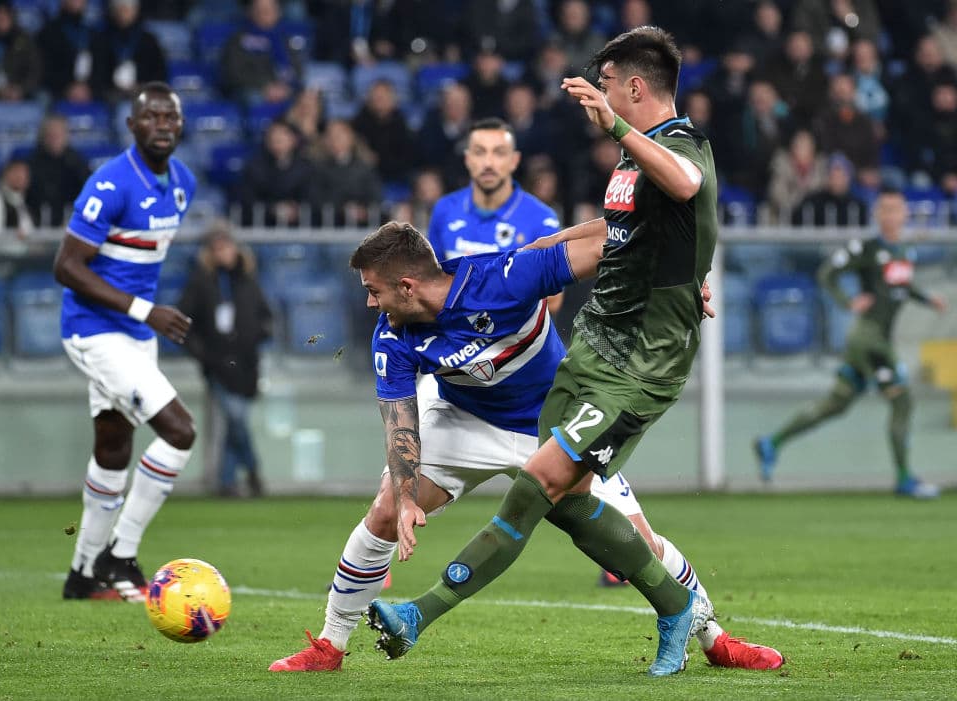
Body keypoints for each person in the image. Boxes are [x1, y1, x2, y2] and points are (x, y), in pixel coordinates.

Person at [364, 26, 726, 677]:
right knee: (566, 500)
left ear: (634, 86)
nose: (603, 93)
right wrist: (541, 254)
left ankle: (421, 612)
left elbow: (687, 186)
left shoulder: (679, 142)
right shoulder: (629, 160)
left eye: (610, 83)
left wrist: (615, 126)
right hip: (591, 347)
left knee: (538, 482)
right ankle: (679, 606)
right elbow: (616, 231)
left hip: (643, 362)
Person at [267, 222, 782, 673]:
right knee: (382, 513)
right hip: (463, 418)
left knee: (639, 542)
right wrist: (404, 497)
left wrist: (678, 282)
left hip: (554, 423)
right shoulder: (393, 336)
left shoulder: (503, 279)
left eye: (374, 291)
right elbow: (401, 423)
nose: (369, 303)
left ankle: (716, 639)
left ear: (407, 285)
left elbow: (613, 239)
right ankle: (330, 646)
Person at [55, 81, 197, 601]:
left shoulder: (183, 183)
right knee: (180, 431)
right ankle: (121, 554)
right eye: (151, 117)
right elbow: (66, 266)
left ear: (181, 126)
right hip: (95, 331)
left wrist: (144, 318)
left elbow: (138, 263)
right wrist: (146, 311)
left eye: (171, 118)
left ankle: (81, 575)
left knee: (114, 447)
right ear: (132, 126)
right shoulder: (110, 184)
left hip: (137, 335)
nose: (162, 125)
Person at [754, 189, 947, 498]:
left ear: (905, 214)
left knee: (835, 405)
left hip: (877, 340)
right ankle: (904, 479)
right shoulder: (867, 248)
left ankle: (771, 443)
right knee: (903, 400)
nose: (892, 216)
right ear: (877, 215)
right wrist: (848, 301)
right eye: (885, 210)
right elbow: (827, 273)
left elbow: (902, 285)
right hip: (868, 341)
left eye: (897, 210)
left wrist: (928, 300)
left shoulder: (904, 251)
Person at [425, 117, 563, 315]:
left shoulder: (540, 219)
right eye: (480, 152)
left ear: (514, 160)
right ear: (467, 159)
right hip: (457, 340)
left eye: (498, 153)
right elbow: (431, 282)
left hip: (514, 342)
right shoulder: (445, 209)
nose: (488, 163)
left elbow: (554, 301)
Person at [178, 222, 273, 497]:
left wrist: (257, 335)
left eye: (227, 246)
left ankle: (226, 481)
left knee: (235, 423)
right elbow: (184, 323)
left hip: (246, 364)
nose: (224, 253)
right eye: (217, 248)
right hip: (217, 365)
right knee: (236, 418)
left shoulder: (247, 279)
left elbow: (265, 316)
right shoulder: (200, 283)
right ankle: (253, 470)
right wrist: (202, 354)